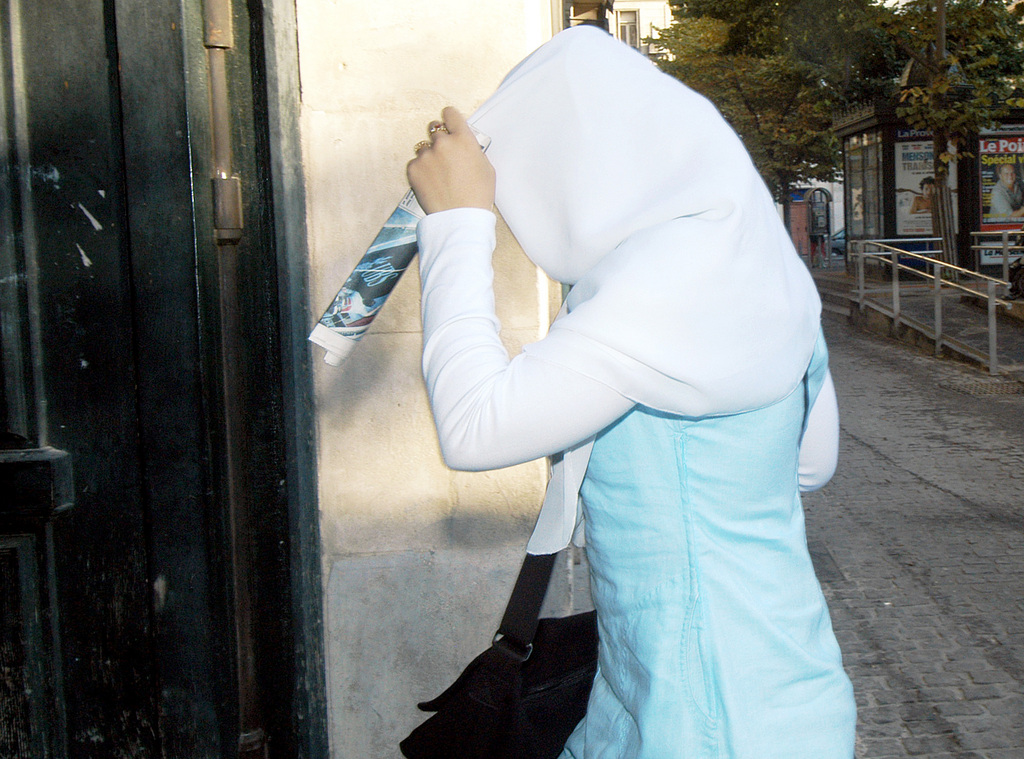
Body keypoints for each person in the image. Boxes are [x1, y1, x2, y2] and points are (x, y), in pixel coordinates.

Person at [406, 25, 855, 758]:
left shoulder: (664, 292)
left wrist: (458, 223)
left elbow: (473, 425)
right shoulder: (752, 261)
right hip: (770, 692)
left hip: (703, 721)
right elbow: (811, 463)